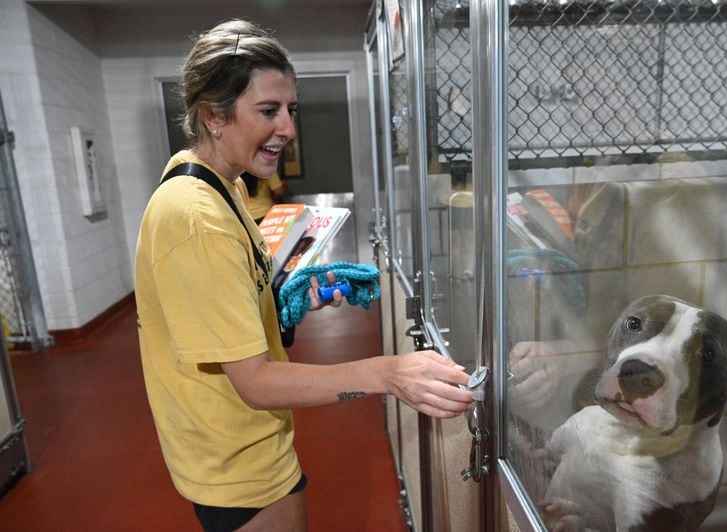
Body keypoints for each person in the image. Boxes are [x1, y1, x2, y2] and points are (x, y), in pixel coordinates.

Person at [134, 18, 473, 532]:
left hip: (236, 447)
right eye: (267, 110)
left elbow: (221, 306)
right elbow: (256, 384)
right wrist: (386, 373)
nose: (288, 128)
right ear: (213, 116)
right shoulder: (196, 216)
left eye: (291, 109)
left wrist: (281, 301)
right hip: (239, 466)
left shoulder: (220, 187)